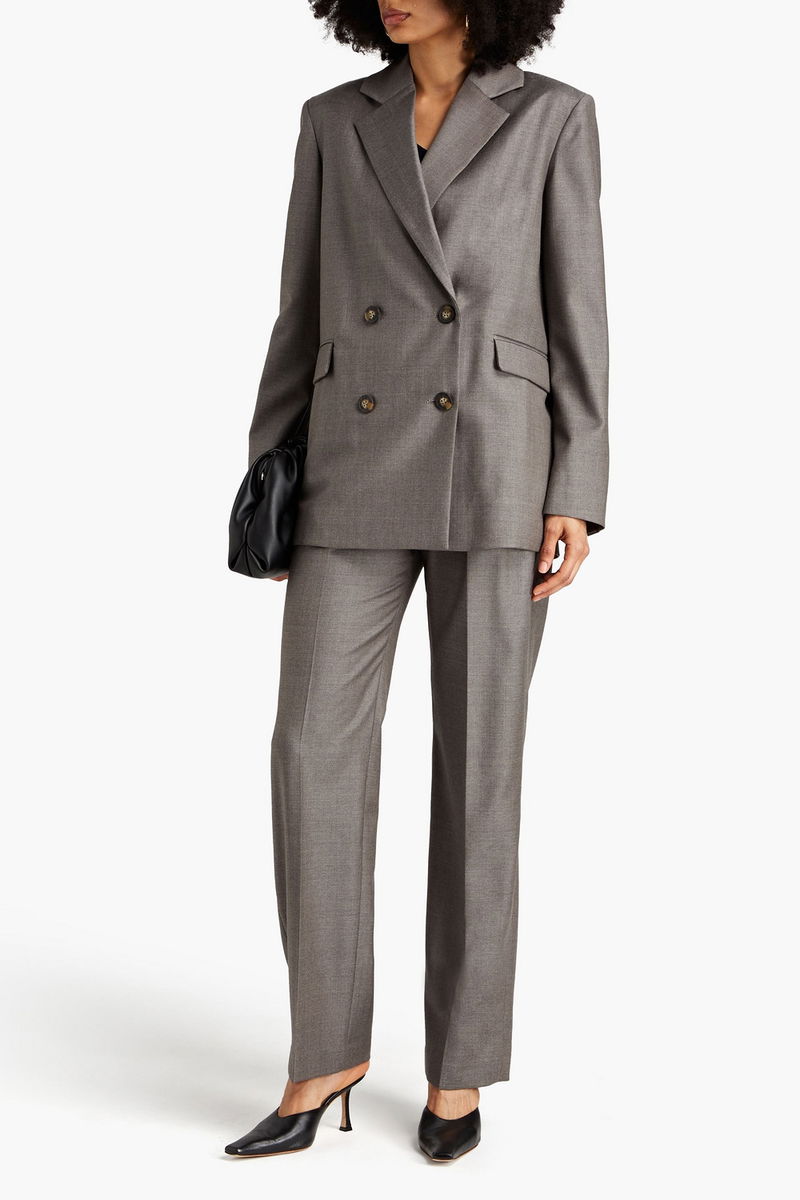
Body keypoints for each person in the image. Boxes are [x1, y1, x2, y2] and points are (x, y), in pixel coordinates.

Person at [224, 0, 608, 1163]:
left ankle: (457, 1071)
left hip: (497, 461)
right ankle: (323, 1052)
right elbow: (301, 305)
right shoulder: (334, 120)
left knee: (478, 770)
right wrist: (270, 467)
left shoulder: (553, 117)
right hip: (351, 457)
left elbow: (577, 305)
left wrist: (575, 484)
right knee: (310, 751)